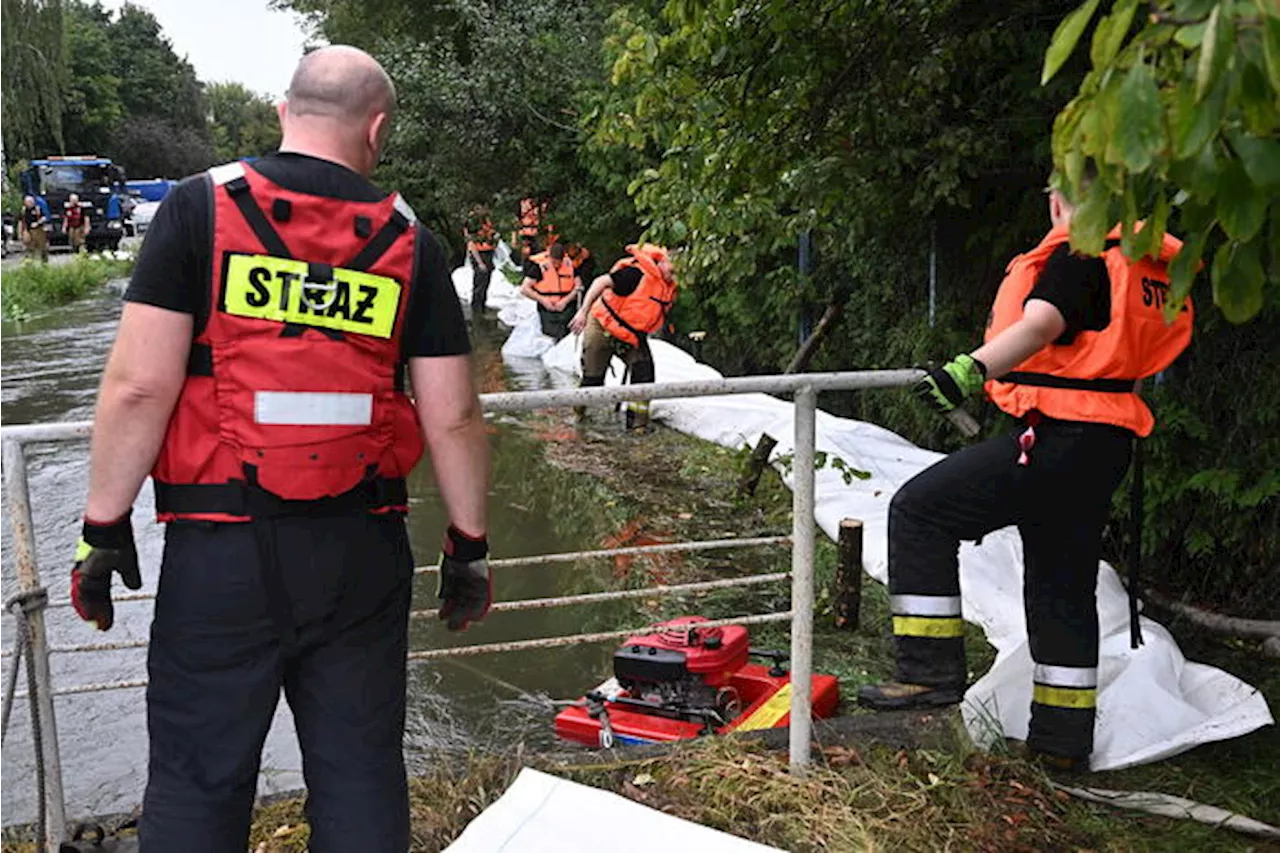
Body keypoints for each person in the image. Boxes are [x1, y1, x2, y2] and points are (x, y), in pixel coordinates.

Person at [68, 45, 492, 852]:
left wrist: (103, 527)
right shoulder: (411, 244)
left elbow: (137, 389)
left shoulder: (196, 212)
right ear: (376, 129)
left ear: (281, 112)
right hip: (360, 552)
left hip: (219, 552)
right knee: (362, 771)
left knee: (198, 778)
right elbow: (455, 417)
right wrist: (468, 545)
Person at [856, 176, 1193, 771]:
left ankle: (928, 675)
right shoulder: (1145, 265)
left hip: (1059, 436)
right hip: (1106, 442)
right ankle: (1062, 744)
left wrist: (968, 371)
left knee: (919, 510)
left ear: (1063, 199)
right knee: (1062, 585)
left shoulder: (1081, 254)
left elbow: (1042, 324)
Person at [568, 243, 677, 431]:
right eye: (672, 270)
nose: (674, 276)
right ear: (662, 264)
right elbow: (600, 282)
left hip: (631, 334)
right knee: (593, 379)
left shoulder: (668, 287)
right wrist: (583, 312)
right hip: (604, 324)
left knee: (644, 373)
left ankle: (637, 426)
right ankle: (579, 411)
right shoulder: (636, 274)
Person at [520, 240, 580, 341]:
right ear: (549, 257)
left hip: (567, 307)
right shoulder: (539, 267)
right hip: (547, 308)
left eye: (558, 263)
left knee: (567, 336)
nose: (556, 265)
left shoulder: (570, 265)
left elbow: (578, 287)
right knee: (550, 335)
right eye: (553, 262)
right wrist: (543, 300)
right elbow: (524, 289)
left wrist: (565, 301)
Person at [463, 206, 497, 316]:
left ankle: (482, 305)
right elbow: (471, 243)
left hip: (488, 253)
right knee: (480, 282)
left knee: (486, 281)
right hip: (479, 254)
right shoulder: (473, 223)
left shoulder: (487, 221)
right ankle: (477, 310)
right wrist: (479, 262)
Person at [19, 194, 50, 263]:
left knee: (42, 246)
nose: (29, 204)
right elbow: (21, 221)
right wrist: (21, 232)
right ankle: (30, 261)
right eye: (27, 202)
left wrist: (38, 223)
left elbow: (45, 217)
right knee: (29, 246)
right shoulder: (24, 210)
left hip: (39, 229)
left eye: (30, 202)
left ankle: (44, 261)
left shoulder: (38, 208)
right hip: (28, 230)